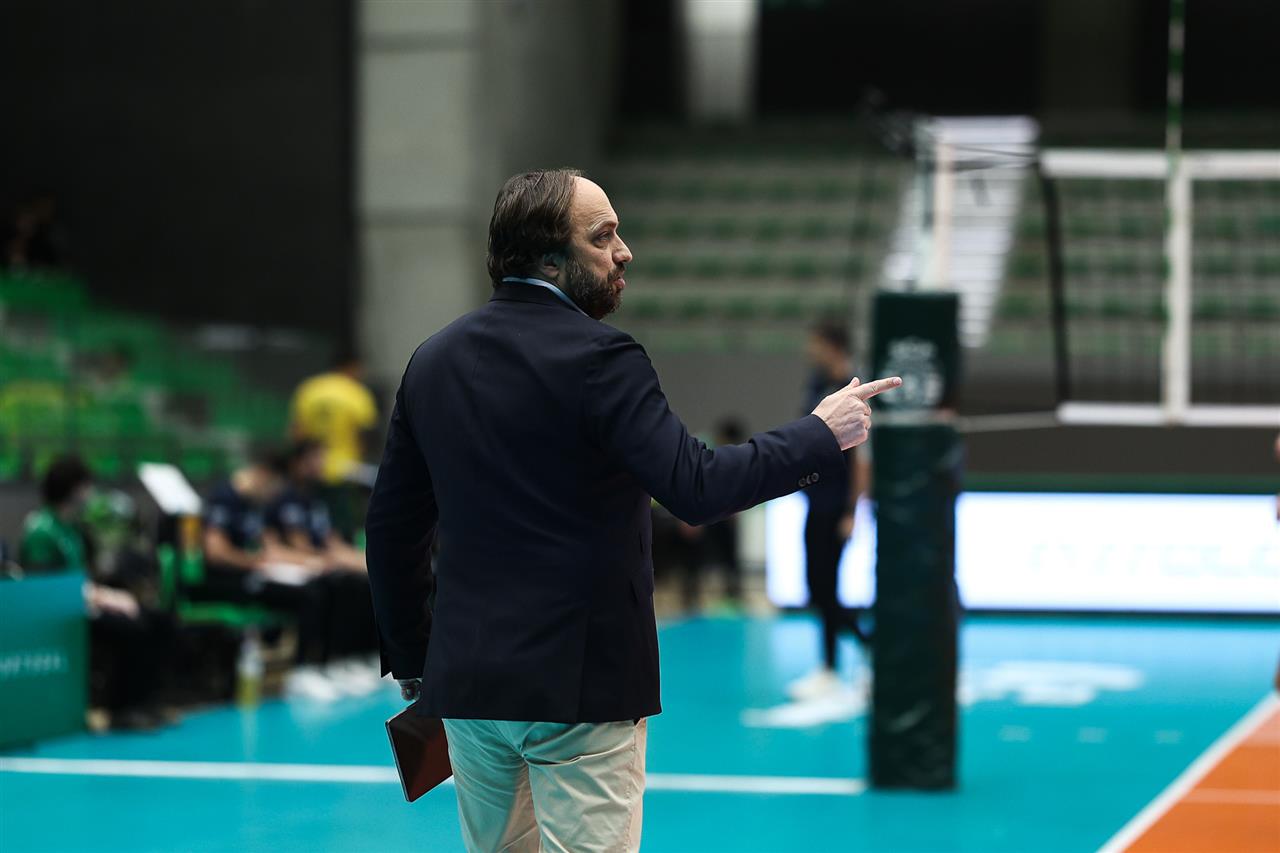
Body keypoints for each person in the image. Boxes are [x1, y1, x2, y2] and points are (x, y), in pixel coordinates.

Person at [365, 168, 899, 852]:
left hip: (467, 685)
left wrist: (417, 662)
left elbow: (393, 527)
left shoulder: (431, 361)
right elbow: (697, 487)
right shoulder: (601, 357)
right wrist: (818, 433)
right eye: (602, 236)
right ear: (549, 260)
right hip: (579, 689)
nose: (625, 252)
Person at [18, 455, 177, 729]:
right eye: (86, 486)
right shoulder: (41, 531)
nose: (90, 493)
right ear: (74, 488)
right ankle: (121, 708)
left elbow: (84, 577)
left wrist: (107, 594)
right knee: (131, 626)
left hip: (82, 601)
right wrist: (102, 598)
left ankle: (146, 701)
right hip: (57, 614)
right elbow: (44, 588)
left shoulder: (73, 529)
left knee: (159, 618)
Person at [788, 321, 873, 701]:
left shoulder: (852, 389)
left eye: (816, 343)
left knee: (828, 587)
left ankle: (837, 663)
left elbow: (862, 459)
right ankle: (846, 657)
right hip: (814, 500)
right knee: (815, 586)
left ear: (832, 345)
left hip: (837, 506)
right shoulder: (816, 384)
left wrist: (852, 511)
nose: (811, 351)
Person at [196, 450, 336, 677]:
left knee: (322, 586)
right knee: (309, 597)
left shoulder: (254, 504)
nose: (273, 495)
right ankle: (302, 671)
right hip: (225, 580)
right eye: (273, 488)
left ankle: (321, 664)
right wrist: (254, 563)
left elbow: (270, 548)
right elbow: (216, 553)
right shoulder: (224, 498)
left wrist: (309, 562)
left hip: (253, 573)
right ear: (263, 475)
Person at [264, 439, 378, 663]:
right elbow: (300, 544)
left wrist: (361, 560)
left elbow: (330, 540)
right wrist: (337, 559)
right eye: (314, 458)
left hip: (323, 560)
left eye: (322, 458)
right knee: (341, 586)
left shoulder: (317, 498)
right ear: (297, 463)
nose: (320, 464)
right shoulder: (286, 498)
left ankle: (363, 656)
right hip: (300, 567)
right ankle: (324, 660)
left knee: (370, 580)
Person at [289, 349, 378, 488]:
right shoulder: (356, 392)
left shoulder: (308, 389)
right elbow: (367, 435)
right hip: (348, 470)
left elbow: (297, 434)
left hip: (314, 469)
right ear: (352, 366)